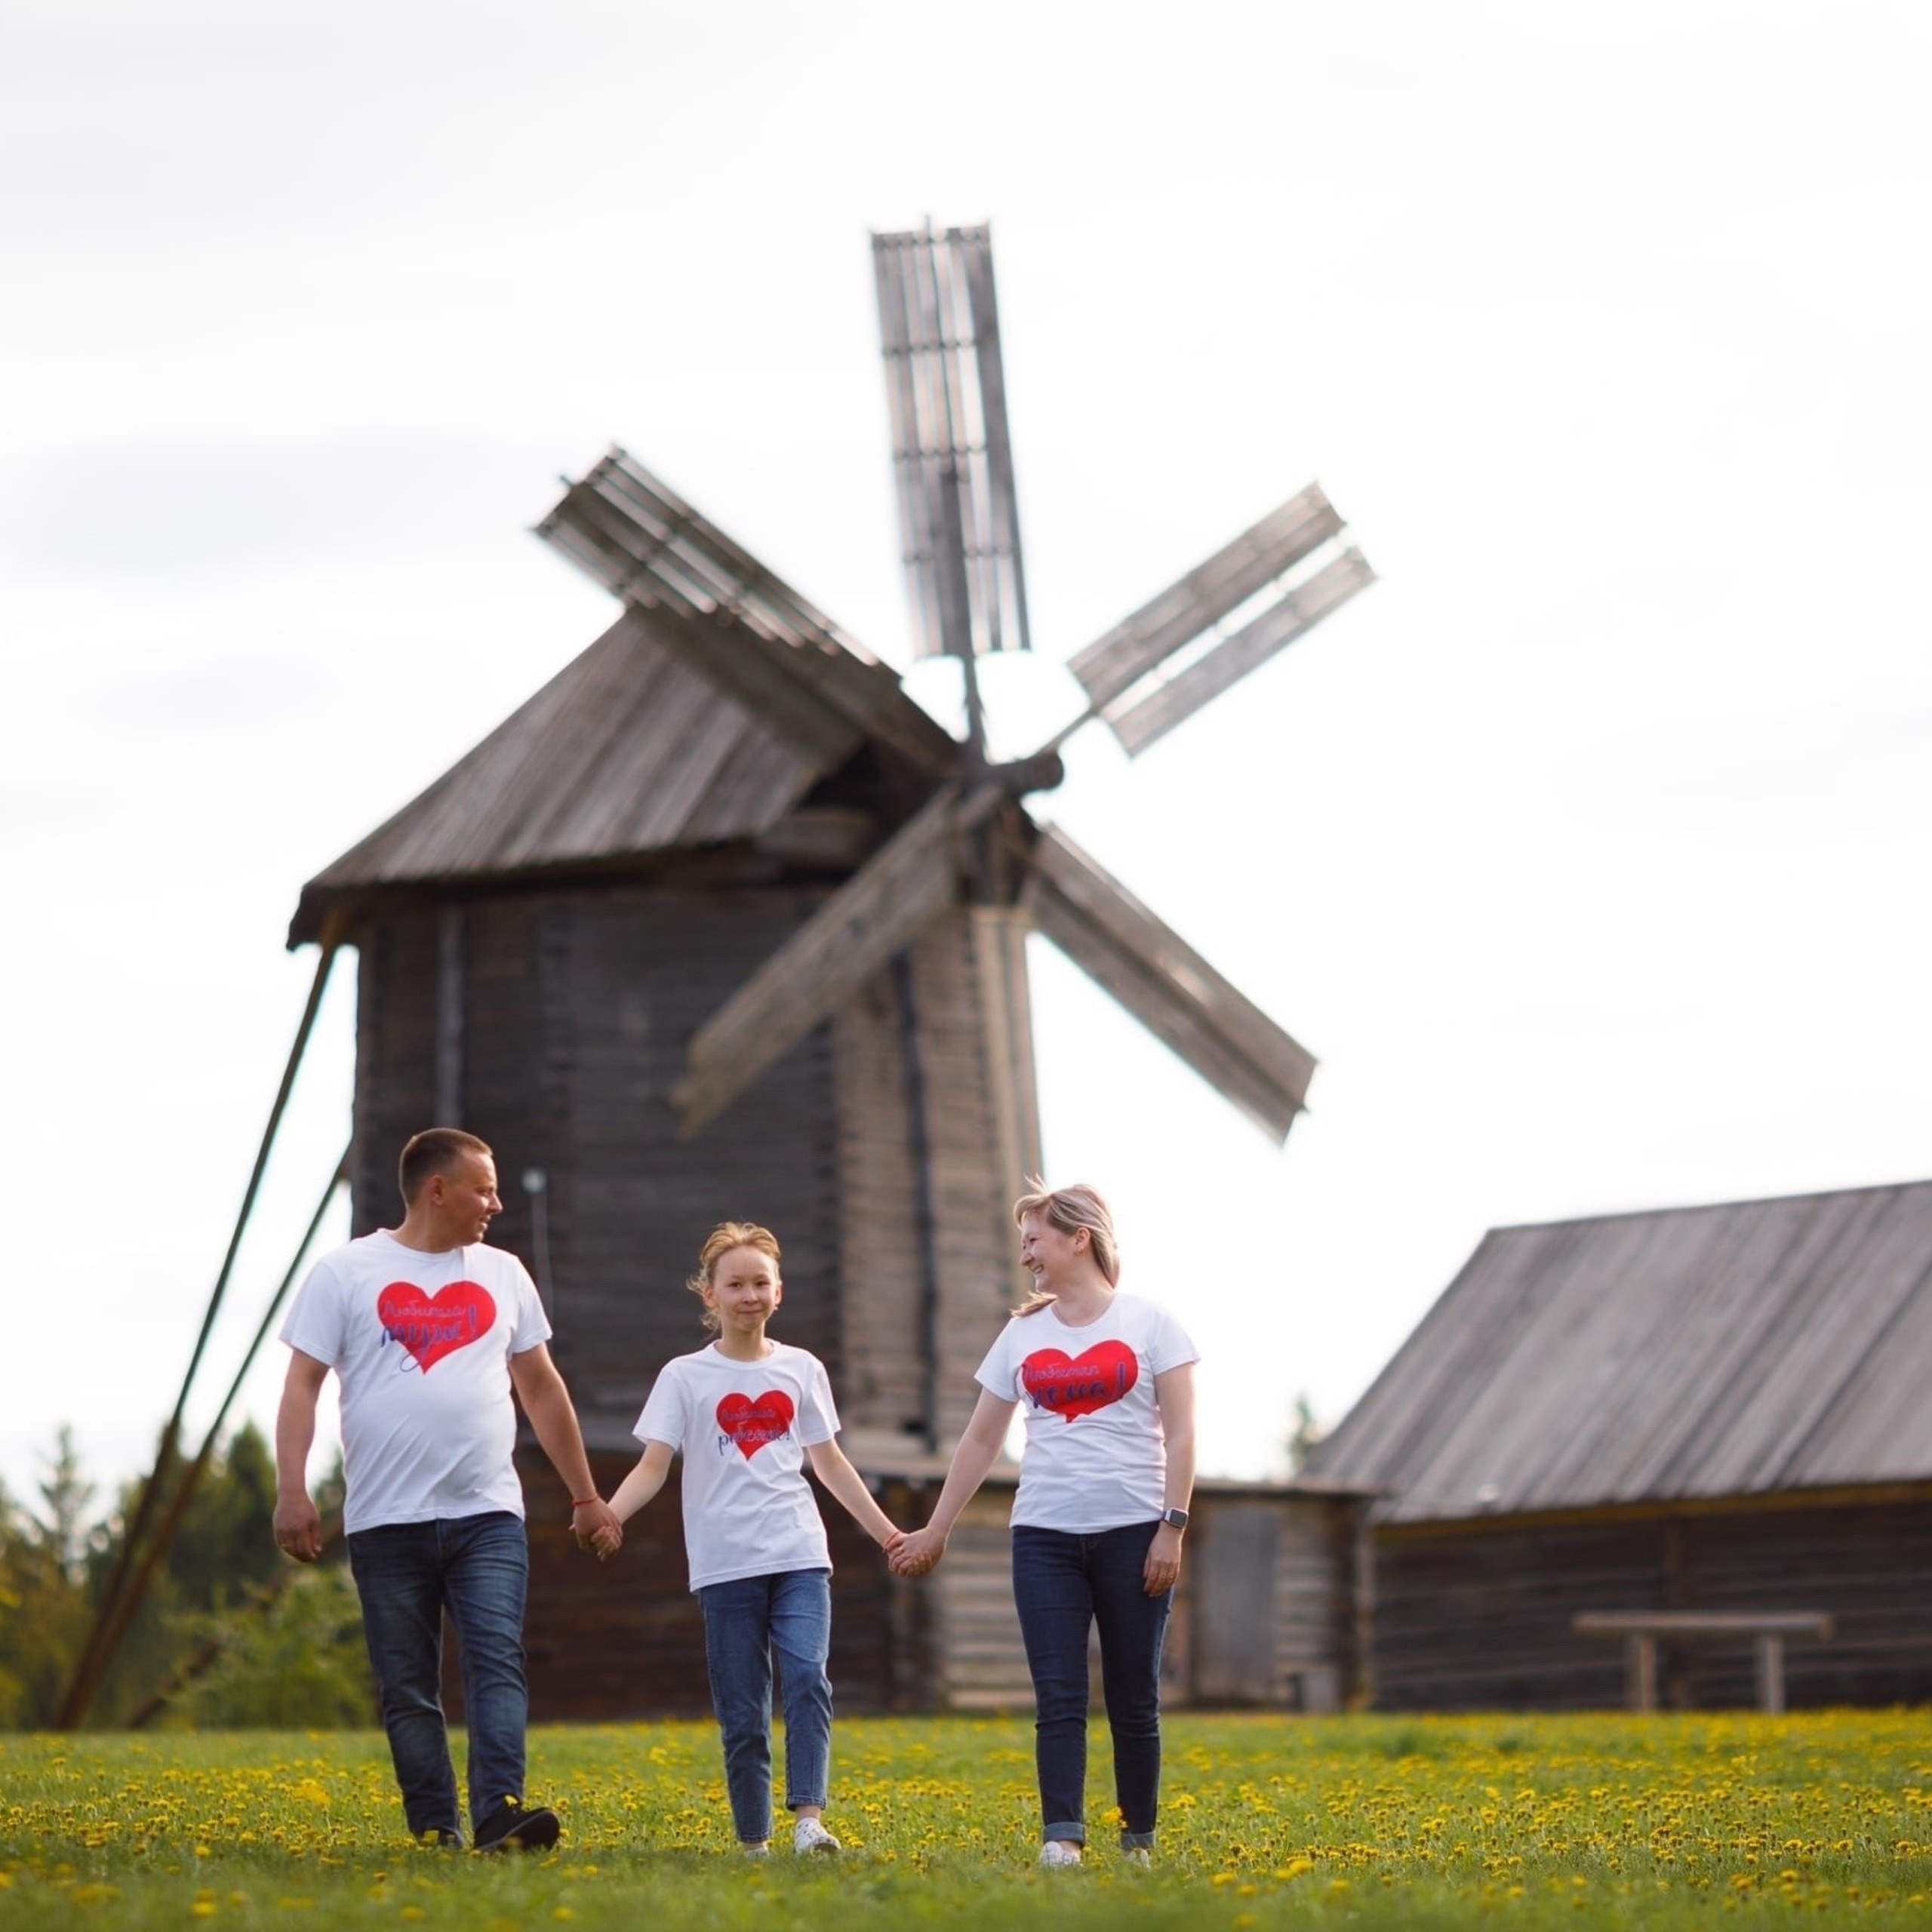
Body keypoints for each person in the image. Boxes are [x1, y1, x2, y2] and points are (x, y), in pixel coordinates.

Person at [273, 1127, 620, 1851]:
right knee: (407, 1684)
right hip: (384, 1518)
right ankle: (436, 1826)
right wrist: (292, 1490)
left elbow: (542, 1389)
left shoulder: (503, 1274)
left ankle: (499, 1811)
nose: (494, 1203)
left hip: (486, 1512)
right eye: (482, 1189)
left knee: (496, 1657)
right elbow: (302, 1386)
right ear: (438, 1190)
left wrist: (586, 1496)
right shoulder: (345, 1273)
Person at [890, 1181, 1197, 1868]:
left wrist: (1171, 1526)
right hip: (1044, 1537)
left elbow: (1181, 1434)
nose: (1026, 1253)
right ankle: (1063, 1837)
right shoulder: (1022, 1334)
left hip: (1134, 1532)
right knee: (1058, 1695)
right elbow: (977, 1441)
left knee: (1132, 1695)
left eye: (1034, 1239)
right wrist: (936, 1529)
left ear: (1076, 1238)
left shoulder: (1151, 1324)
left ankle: (1137, 1840)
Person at [592, 1221, 904, 1857]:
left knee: (808, 1677)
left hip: (798, 1553)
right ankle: (753, 1840)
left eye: (760, 1282)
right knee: (743, 1706)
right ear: (710, 1296)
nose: (749, 1295)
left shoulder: (802, 1369)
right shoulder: (684, 1377)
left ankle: (810, 1820)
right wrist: (609, 1515)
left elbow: (831, 1462)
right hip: (725, 1562)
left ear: (779, 1291)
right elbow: (654, 1464)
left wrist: (890, 1535)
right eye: (734, 1284)